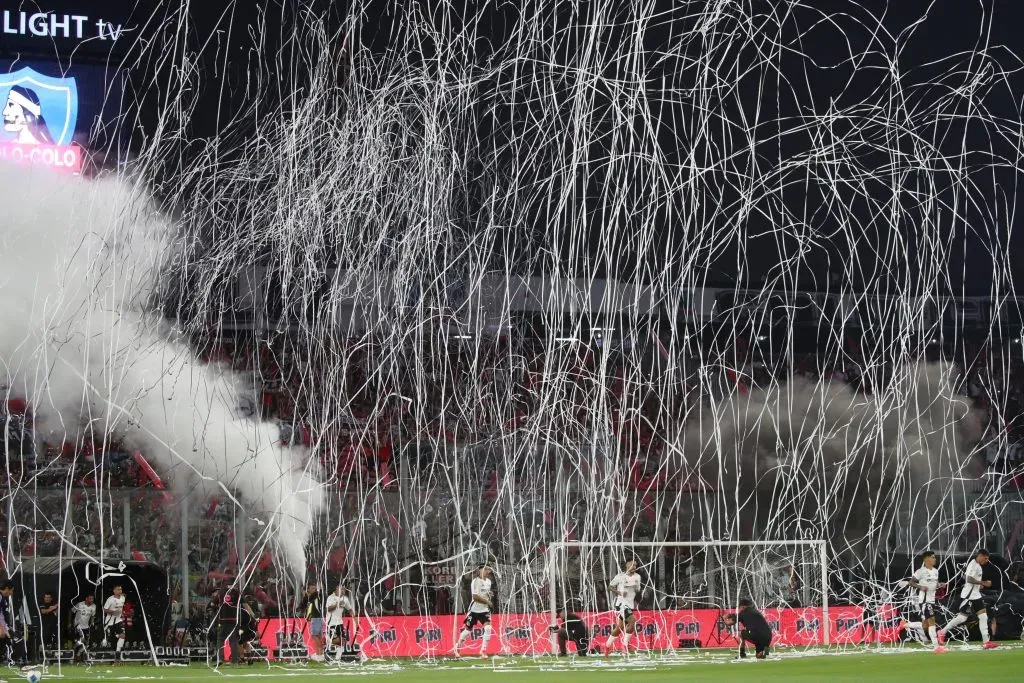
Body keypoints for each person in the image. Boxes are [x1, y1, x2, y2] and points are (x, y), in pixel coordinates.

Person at [938, 549, 998, 649]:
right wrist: (983, 582)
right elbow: (968, 578)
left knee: (983, 617)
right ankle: (942, 632)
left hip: (976, 595)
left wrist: (978, 586)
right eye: (985, 558)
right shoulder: (973, 564)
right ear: (980, 556)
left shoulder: (977, 565)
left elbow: (967, 578)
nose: (987, 561)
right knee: (962, 618)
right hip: (969, 596)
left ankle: (986, 642)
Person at [905, 550, 945, 652]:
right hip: (925, 601)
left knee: (925, 625)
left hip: (932, 600)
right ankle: (936, 647)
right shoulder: (920, 571)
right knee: (932, 622)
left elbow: (935, 584)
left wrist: (940, 585)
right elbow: (910, 582)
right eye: (933, 557)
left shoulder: (936, 571)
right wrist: (920, 587)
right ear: (926, 559)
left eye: (934, 557)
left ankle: (905, 625)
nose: (935, 559)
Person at [603, 559, 643, 657]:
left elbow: (637, 590)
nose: (634, 567)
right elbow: (609, 587)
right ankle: (624, 646)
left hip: (630, 604)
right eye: (632, 564)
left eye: (635, 565)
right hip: (621, 604)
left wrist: (636, 589)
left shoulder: (638, 577)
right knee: (632, 621)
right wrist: (619, 592)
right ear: (626, 565)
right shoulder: (620, 576)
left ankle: (607, 646)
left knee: (619, 628)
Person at [454, 566, 494, 659]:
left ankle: (483, 650)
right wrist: (487, 602)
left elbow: (485, 593)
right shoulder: (476, 581)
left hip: (484, 610)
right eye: (485, 569)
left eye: (488, 569)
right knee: (468, 631)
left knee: (488, 628)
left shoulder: (488, 581)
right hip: (474, 610)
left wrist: (490, 594)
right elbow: (475, 597)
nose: (487, 571)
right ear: (480, 570)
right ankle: (457, 646)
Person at [325, 584, 357, 659]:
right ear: (336, 590)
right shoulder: (331, 598)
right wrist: (337, 604)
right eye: (341, 589)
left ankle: (338, 657)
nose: (343, 591)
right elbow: (328, 609)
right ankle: (328, 642)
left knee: (343, 640)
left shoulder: (345, 599)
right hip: (331, 623)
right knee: (336, 640)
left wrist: (355, 619)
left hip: (340, 622)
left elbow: (349, 609)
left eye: (344, 589)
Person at [298, 583, 325, 661]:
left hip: (316, 618)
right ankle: (320, 654)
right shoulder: (310, 597)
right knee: (319, 636)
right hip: (318, 618)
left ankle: (319, 654)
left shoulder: (315, 596)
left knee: (314, 636)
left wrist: (305, 595)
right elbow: (304, 605)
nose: (314, 590)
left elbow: (307, 601)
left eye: (315, 588)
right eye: (312, 588)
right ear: (308, 589)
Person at [215, 586, 242, 665]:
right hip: (233, 620)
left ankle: (220, 659)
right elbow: (243, 604)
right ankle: (234, 660)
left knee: (220, 640)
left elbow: (213, 603)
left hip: (222, 620)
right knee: (233, 640)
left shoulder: (221, 592)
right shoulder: (237, 592)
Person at [102, 586, 127, 662]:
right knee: (111, 640)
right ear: (114, 591)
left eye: (121, 589)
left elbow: (123, 596)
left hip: (118, 620)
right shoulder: (110, 599)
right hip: (109, 621)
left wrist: (122, 613)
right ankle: (110, 657)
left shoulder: (123, 598)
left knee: (123, 635)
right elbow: (105, 609)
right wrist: (113, 612)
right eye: (118, 589)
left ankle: (118, 653)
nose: (120, 591)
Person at [70, 594, 96, 663]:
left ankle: (77, 652)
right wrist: (69, 623)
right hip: (78, 625)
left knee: (87, 643)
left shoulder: (94, 606)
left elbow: (93, 616)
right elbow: (71, 611)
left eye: (92, 599)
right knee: (82, 639)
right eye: (90, 598)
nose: (91, 600)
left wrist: (92, 623)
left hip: (86, 626)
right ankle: (76, 655)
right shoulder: (80, 604)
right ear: (86, 599)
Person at [38, 592, 59, 659]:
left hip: (53, 625)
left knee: (53, 640)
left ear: (51, 598)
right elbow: (43, 611)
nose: (46, 599)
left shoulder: (53, 604)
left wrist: (56, 608)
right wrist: (54, 607)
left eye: (48, 597)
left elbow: (56, 614)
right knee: (43, 640)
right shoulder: (42, 604)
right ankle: (41, 657)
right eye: (45, 597)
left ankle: (51, 657)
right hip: (44, 625)